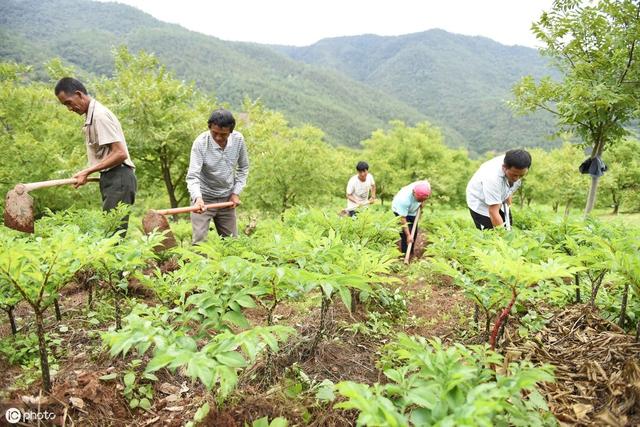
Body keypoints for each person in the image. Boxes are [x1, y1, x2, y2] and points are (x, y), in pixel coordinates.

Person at [54, 77, 136, 235]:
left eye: (69, 103)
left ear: (79, 94)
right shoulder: (91, 116)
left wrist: (87, 171)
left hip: (119, 177)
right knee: (110, 230)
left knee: (112, 235)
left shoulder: (99, 116)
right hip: (112, 177)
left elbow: (120, 153)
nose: (70, 109)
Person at [186, 109, 249, 244]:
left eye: (223, 134)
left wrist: (236, 193)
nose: (219, 137)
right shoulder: (200, 143)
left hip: (226, 198)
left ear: (230, 132)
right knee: (199, 243)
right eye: (214, 133)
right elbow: (193, 175)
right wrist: (197, 198)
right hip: (204, 199)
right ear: (209, 127)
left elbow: (243, 167)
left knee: (232, 243)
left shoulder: (238, 140)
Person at [466, 149, 531, 230]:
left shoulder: (516, 163)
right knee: (490, 233)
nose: (517, 179)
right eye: (514, 175)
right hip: (480, 202)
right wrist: (503, 237)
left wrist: (509, 193)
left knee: (508, 225)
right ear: (504, 168)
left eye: (521, 176)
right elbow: (493, 211)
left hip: (499, 195)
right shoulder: (492, 178)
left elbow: (512, 182)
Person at [392, 181, 431, 255]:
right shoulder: (403, 200)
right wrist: (408, 235)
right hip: (399, 210)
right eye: (419, 200)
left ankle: (410, 252)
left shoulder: (426, 186)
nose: (420, 201)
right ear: (413, 193)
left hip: (413, 211)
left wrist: (422, 203)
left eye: (422, 200)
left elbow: (427, 194)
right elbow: (403, 219)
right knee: (405, 233)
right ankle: (404, 254)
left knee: (414, 232)